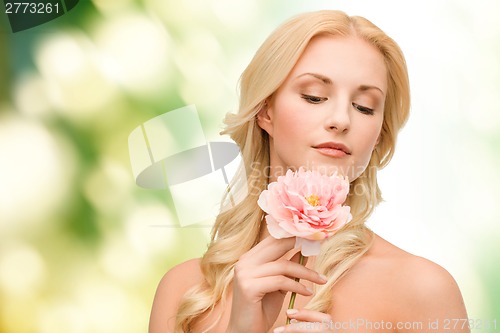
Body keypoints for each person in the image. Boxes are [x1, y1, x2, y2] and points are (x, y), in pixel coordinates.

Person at [149, 10, 470, 333]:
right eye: (314, 96)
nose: (341, 119)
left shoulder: (422, 289)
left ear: (379, 135)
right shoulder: (185, 292)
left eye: (364, 106)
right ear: (265, 110)